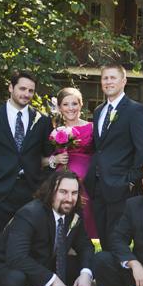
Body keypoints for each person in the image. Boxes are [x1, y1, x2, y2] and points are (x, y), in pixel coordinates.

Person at [0, 69, 53, 246]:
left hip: (32, 190)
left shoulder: (43, 120)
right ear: (10, 88)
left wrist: (44, 182)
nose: (26, 94)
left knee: (31, 243)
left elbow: (51, 154)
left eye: (31, 91)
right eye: (22, 89)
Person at [84, 63, 143, 253]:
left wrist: (130, 180)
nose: (108, 82)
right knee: (104, 238)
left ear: (123, 81)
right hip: (97, 185)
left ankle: (118, 278)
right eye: (105, 78)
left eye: (112, 78)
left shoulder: (135, 110)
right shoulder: (98, 111)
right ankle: (107, 274)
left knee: (118, 238)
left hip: (121, 186)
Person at [47, 88, 96, 240]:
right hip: (61, 177)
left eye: (74, 104)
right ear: (60, 107)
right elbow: (42, 157)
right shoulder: (54, 130)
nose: (71, 108)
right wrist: (54, 160)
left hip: (85, 180)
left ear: (80, 105)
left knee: (84, 218)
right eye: (66, 104)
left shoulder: (91, 127)